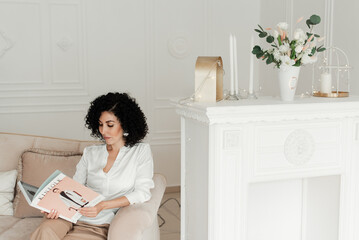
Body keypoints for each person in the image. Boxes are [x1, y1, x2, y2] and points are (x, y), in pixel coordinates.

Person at [31, 92, 154, 240]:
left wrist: (102, 205)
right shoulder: (90, 153)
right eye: (100, 125)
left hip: (99, 224)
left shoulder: (140, 152)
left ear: (125, 123)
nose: (103, 131)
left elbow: (142, 193)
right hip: (70, 216)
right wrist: (54, 206)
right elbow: (75, 187)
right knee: (44, 232)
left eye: (110, 125)